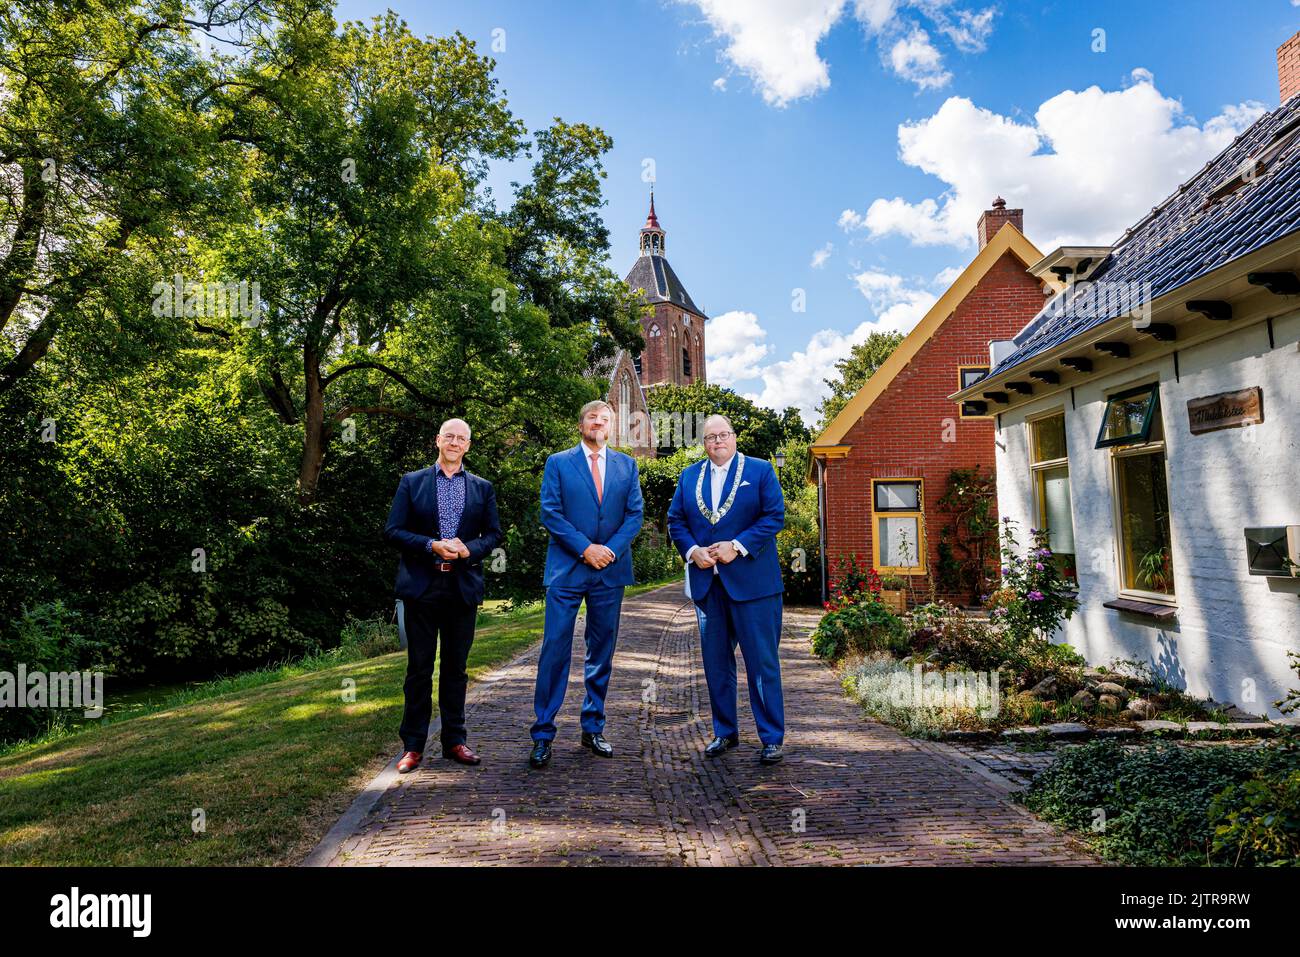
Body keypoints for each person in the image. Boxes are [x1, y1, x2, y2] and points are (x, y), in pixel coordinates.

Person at [528, 400, 644, 768]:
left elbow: (634, 514)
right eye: (592, 417)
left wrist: (607, 550)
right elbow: (550, 512)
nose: (598, 422)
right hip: (567, 569)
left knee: (601, 650)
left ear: (612, 427)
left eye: (605, 419)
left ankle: (593, 726)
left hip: (610, 569)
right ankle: (543, 732)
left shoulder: (627, 466)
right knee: (555, 647)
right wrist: (584, 549)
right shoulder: (558, 463)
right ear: (581, 425)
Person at [667, 414, 787, 764]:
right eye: (710, 437)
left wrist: (738, 545)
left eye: (723, 435)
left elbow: (773, 516)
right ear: (703, 443)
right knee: (716, 664)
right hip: (709, 586)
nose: (717, 441)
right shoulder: (689, 476)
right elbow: (676, 521)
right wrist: (692, 551)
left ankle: (771, 737)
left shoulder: (760, 470)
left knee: (762, 663)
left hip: (754, 586)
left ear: (734, 438)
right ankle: (724, 732)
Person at [384, 418, 501, 772]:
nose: (454, 442)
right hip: (422, 586)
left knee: (456, 669)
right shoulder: (412, 482)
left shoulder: (482, 488)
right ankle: (413, 746)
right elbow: (392, 530)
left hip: (461, 587)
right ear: (438, 440)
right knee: (418, 669)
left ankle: (455, 741)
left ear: (468, 445)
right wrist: (429, 544)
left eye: (461, 438)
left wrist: (469, 550)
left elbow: (494, 535)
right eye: (448, 436)